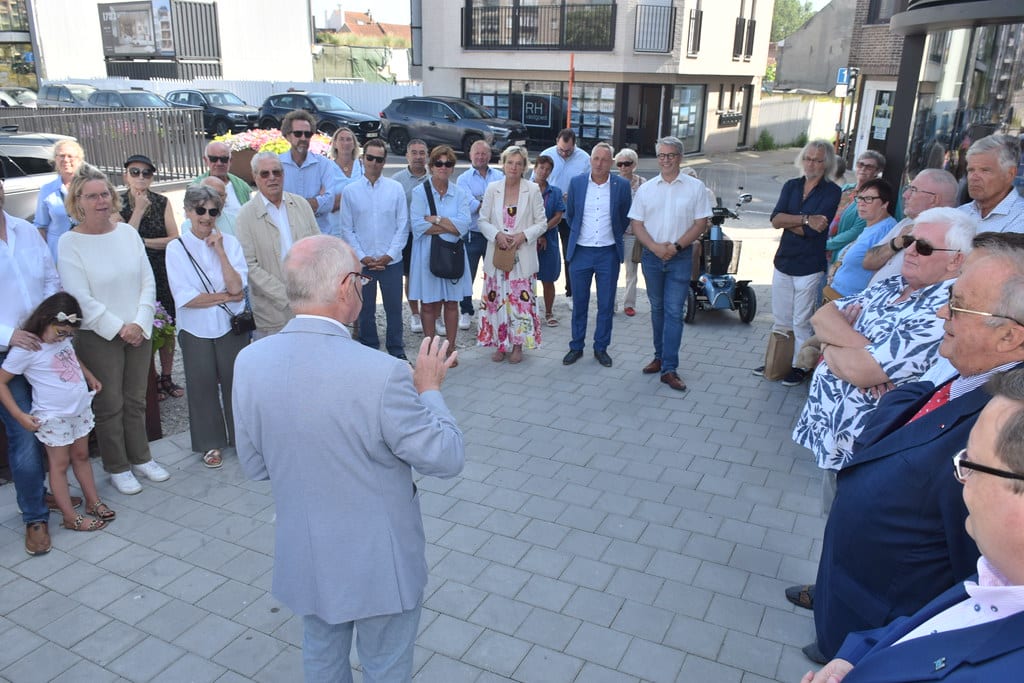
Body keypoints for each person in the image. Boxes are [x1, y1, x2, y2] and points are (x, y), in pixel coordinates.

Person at [232, 235, 464, 682]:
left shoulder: (250, 361)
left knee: (321, 658)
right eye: (360, 278)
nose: (362, 287)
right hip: (381, 563)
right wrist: (430, 390)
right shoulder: (383, 373)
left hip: (307, 554)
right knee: (386, 668)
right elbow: (447, 456)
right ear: (344, 287)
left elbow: (256, 466)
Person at [791, 232, 1024, 664]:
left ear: (1009, 336)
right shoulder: (975, 372)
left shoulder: (1001, 433)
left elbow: (978, 580)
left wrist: (888, 650)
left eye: (957, 306)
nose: (941, 312)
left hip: (886, 632)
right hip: (858, 606)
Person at [802, 368, 1024, 683]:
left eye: (970, 463)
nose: (960, 481)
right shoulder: (998, 576)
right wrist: (854, 659)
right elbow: (931, 624)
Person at [792, 207, 976, 502]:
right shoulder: (894, 284)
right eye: (909, 242)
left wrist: (831, 345)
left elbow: (862, 371)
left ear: (956, 259)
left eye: (925, 247)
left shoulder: (945, 309)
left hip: (870, 450)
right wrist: (849, 348)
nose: (911, 251)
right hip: (836, 440)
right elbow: (822, 316)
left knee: (848, 534)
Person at [59, 164, 169, 496]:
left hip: (138, 327)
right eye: (91, 196)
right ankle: (117, 466)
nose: (100, 201)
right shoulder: (69, 242)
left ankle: (141, 457)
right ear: (78, 201)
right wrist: (120, 327)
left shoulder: (127, 234)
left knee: (136, 399)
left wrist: (140, 320)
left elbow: (146, 279)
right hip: (100, 335)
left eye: (104, 194)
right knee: (110, 404)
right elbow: (79, 296)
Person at [0, 292, 114, 533]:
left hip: (79, 409)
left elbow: (71, 356)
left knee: (82, 456)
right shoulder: (27, 348)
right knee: (59, 464)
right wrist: (19, 415)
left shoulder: (62, 338)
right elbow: (1, 382)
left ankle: (93, 501)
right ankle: (70, 516)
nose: (64, 337)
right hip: (54, 416)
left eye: (69, 334)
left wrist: (89, 376)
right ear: (45, 319)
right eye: (61, 332)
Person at [0, 177, 63, 555]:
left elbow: (50, 280)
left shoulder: (25, 230)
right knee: (24, 433)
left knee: (53, 420)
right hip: (6, 354)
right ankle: (34, 517)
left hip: (43, 345)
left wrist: (49, 322)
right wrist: (11, 335)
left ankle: (42, 489)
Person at [165, 185, 247, 469]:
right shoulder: (176, 249)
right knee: (202, 387)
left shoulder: (231, 244)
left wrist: (221, 252)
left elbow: (239, 286)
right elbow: (186, 298)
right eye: (200, 210)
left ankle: (242, 438)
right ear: (188, 212)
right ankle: (210, 442)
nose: (207, 216)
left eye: (213, 211)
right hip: (195, 329)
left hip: (228, 326)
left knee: (237, 385)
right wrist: (227, 297)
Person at [628, 137, 713, 392]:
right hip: (652, 257)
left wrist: (675, 247)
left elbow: (701, 223)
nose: (666, 160)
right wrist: (655, 248)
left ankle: (669, 368)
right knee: (657, 309)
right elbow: (637, 224)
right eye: (662, 155)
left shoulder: (695, 188)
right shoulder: (647, 188)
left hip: (680, 257)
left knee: (674, 311)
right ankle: (659, 356)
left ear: (680, 157)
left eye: (671, 155)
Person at [756, 140, 842, 384]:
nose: (811, 163)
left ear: (827, 164)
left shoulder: (832, 191)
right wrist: (805, 219)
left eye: (817, 159)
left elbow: (815, 232)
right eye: (808, 158)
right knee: (781, 317)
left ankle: (800, 366)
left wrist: (791, 221)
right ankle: (779, 360)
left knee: (801, 320)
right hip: (783, 260)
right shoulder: (792, 185)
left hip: (809, 265)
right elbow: (775, 219)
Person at [562, 142, 632, 368]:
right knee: (579, 302)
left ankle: (601, 348)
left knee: (606, 304)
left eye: (605, 159)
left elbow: (623, 217)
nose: (600, 163)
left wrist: (610, 237)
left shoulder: (621, 185)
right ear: (590, 160)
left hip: (607, 253)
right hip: (581, 251)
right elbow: (571, 215)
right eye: (596, 159)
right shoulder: (577, 183)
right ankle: (576, 346)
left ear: (611, 162)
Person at [338, 138, 409, 360]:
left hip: (391, 263)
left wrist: (389, 256)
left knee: (394, 310)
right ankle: (369, 352)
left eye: (379, 159)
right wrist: (363, 257)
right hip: (364, 264)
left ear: (384, 161)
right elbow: (347, 229)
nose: (374, 163)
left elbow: (402, 225)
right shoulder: (350, 192)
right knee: (365, 310)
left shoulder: (395, 189)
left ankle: (396, 352)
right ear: (362, 159)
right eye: (370, 158)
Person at [235, 152, 320, 338]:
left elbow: (318, 248)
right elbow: (249, 265)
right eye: (265, 174)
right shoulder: (245, 216)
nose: (272, 178)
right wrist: (286, 296)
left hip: (307, 305)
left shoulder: (301, 205)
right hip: (270, 312)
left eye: (277, 172)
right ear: (255, 177)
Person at [119, 153, 182, 401]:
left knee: (166, 325)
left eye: (146, 173)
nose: (141, 177)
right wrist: (139, 210)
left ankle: (166, 376)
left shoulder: (162, 201)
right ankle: (150, 378)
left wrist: (143, 242)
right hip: (130, 273)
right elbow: (123, 240)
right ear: (126, 175)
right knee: (143, 324)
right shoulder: (116, 203)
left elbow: (174, 238)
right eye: (135, 172)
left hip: (159, 269)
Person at [476, 146, 547, 364]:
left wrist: (523, 236)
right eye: (510, 162)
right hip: (498, 256)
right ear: (503, 164)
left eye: (518, 163)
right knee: (496, 301)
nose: (514, 167)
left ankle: (517, 345)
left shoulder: (533, 189)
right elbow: (482, 220)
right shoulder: (492, 188)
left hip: (521, 257)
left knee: (519, 303)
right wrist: (496, 234)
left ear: (525, 167)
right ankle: (500, 343)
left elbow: (542, 223)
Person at [408, 145, 472, 362]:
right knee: (428, 304)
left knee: (451, 303)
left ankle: (451, 350)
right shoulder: (419, 192)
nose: (443, 168)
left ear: (453, 168)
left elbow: (464, 225)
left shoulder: (460, 192)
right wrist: (450, 225)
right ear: (431, 166)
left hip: (452, 253)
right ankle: (431, 352)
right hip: (427, 255)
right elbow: (417, 225)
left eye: (448, 164)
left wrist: (435, 220)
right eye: (439, 163)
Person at [862, 168, 959, 286]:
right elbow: (868, 262)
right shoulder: (907, 222)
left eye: (913, 190)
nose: (905, 195)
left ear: (934, 199)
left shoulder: (949, 236)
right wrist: (896, 243)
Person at [534, 129, 591, 302]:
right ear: (556, 141)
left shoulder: (584, 159)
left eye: (568, 150)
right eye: (561, 150)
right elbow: (534, 182)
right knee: (540, 251)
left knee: (570, 253)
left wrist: (574, 195)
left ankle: (571, 293)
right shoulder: (547, 154)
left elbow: (589, 184)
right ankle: (532, 294)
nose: (564, 153)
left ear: (575, 144)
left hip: (571, 213)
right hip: (547, 211)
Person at [455, 138, 504, 331]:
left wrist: (483, 201)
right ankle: (466, 311)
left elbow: (502, 204)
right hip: (472, 235)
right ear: (470, 156)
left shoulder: (500, 176)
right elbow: (471, 206)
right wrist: (487, 202)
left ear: (489, 155)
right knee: (467, 275)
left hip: (495, 235)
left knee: (494, 275)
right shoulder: (463, 179)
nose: (480, 157)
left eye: (484, 153)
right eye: (477, 153)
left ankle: (492, 310)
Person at [826, 178, 898, 300]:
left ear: (885, 204)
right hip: (836, 297)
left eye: (868, 199)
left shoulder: (887, 229)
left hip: (852, 304)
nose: (861, 203)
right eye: (859, 198)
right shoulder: (871, 226)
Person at [278, 109, 341, 236]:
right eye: (298, 133)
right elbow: (275, 204)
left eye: (308, 134)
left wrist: (291, 206)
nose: (303, 138)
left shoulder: (324, 164)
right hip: (288, 237)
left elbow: (329, 203)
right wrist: (316, 201)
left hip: (319, 236)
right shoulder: (277, 165)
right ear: (287, 135)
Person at [392, 138, 430, 335]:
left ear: (427, 156)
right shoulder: (397, 180)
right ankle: (415, 313)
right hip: (407, 236)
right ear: (407, 155)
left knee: (430, 275)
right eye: (414, 152)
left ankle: (432, 313)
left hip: (429, 235)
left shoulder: (433, 178)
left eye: (421, 153)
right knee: (411, 276)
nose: (418, 157)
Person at [824, 151, 885, 264]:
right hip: (822, 244)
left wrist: (826, 244)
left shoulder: (872, 198)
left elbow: (856, 231)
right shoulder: (846, 188)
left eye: (869, 167)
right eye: (860, 164)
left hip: (838, 252)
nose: (863, 169)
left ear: (877, 171)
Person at [957, 133, 1024, 233]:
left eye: (985, 170)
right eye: (971, 170)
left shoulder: (1020, 218)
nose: (974, 177)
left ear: (1010, 174)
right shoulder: (959, 213)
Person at [35, 139, 84, 264]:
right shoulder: (47, 190)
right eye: (61, 156)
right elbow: (41, 226)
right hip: (58, 252)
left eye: (70, 156)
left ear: (79, 159)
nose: (66, 160)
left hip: (86, 246)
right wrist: (45, 258)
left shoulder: (89, 186)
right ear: (55, 159)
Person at [532, 154, 566, 326]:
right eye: (541, 168)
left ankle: (549, 312)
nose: (543, 172)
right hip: (528, 240)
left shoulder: (555, 192)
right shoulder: (526, 189)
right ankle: (529, 312)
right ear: (534, 168)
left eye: (547, 169)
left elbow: (558, 216)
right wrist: (536, 234)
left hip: (549, 240)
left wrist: (543, 231)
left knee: (548, 278)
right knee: (527, 278)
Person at [614, 147, 645, 317]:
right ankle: (611, 304)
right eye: (620, 164)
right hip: (615, 233)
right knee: (611, 271)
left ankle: (629, 304)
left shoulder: (643, 183)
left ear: (634, 164)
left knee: (631, 271)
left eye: (627, 163)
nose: (623, 167)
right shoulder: (612, 182)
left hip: (634, 233)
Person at [194, 140, 251, 225]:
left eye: (224, 159)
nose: (219, 163)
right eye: (214, 159)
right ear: (206, 160)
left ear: (230, 161)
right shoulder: (195, 187)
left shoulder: (242, 186)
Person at [328, 126, 364, 211]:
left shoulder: (362, 166)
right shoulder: (327, 169)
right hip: (335, 222)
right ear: (335, 144)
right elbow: (326, 204)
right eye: (341, 139)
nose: (345, 143)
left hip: (359, 222)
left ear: (354, 144)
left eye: (348, 139)